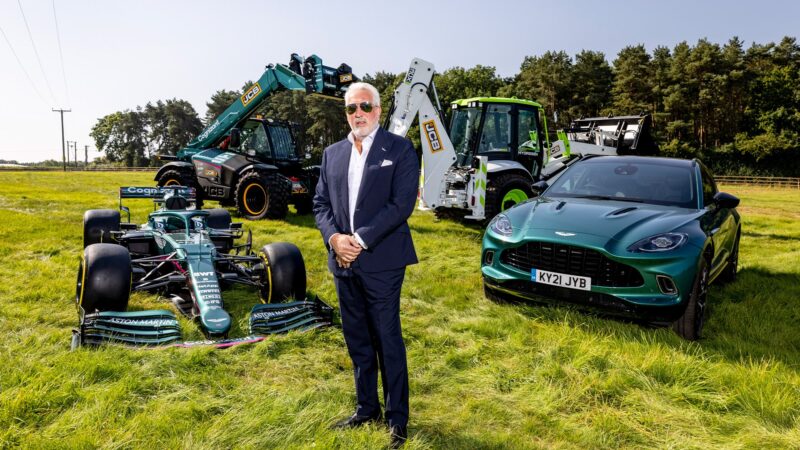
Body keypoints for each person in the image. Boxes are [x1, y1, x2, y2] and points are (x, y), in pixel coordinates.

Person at [313, 82, 419, 448]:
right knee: (357, 338)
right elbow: (321, 205)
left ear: (378, 109)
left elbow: (401, 204)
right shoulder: (332, 154)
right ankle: (366, 409)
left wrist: (358, 240)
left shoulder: (400, 149)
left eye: (364, 106)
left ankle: (397, 420)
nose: (357, 113)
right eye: (350, 108)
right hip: (342, 262)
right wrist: (334, 239)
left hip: (382, 261)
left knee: (386, 338)